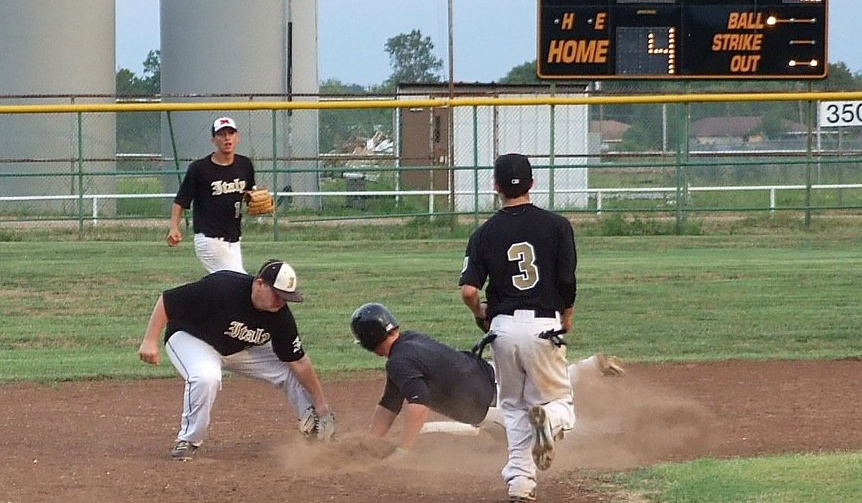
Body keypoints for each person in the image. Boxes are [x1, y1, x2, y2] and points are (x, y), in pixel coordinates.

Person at [459, 152, 578, 502]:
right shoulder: (558, 226)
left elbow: (468, 290)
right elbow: (566, 279)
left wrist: (480, 314)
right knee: (559, 403)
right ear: (532, 183)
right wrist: (567, 316)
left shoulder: (484, 233)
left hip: (503, 329)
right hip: (544, 325)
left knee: (512, 406)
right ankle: (550, 422)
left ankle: (521, 481)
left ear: (496, 187)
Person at [350, 303, 624, 454]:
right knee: (546, 380)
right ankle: (588, 367)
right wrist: (369, 442)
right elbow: (389, 403)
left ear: (368, 342)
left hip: (492, 408)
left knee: (537, 441)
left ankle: (617, 435)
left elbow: (418, 406)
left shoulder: (399, 362)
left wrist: (403, 452)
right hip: (496, 372)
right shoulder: (411, 342)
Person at [139, 259, 335, 460]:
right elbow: (167, 300)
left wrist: (321, 402)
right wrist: (149, 340)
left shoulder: (280, 316)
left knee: (289, 371)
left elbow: (299, 362)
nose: (281, 302)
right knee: (207, 377)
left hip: (237, 349)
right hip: (192, 339)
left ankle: (316, 435)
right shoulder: (222, 287)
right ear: (260, 284)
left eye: (286, 298)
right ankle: (188, 441)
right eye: (278, 295)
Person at [167, 116, 258, 274]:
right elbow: (180, 201)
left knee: (227, 287)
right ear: (213, 140)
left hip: (234, 239)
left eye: (230, 133)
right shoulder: (199, 169)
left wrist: (256, 200)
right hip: (209, 239)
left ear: (237, 137)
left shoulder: (245, 165)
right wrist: (174, 228)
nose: (227, 138)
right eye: (221, 134)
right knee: (239, 280)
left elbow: (249, 194)